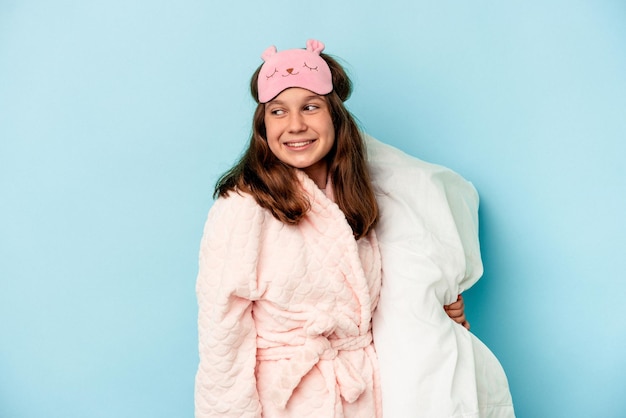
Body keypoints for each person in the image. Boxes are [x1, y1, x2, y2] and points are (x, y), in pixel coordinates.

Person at [194, 39, 512, 418]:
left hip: (366, 392)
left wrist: (435, 304)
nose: (295, 125)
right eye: (278, 111)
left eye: (310, 107)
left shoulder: (355, 195)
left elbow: (390, 284)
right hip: (286, 401)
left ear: (335, 117)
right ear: (263, 125)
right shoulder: (242, 208)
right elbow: (222, 339)